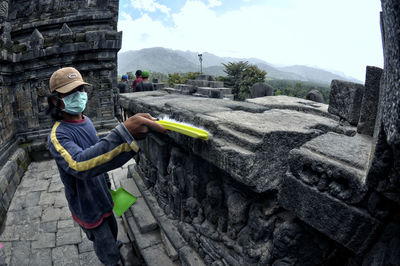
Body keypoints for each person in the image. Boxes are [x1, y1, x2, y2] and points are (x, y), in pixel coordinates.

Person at [46, 67, 166, 266]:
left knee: (111, 226)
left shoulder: (86, 121)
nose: (79, 96)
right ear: (55, 100)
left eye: (81, 90)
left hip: (103, 192)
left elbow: (97, 149)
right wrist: (123, 133)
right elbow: (79, 163)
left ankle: (114, 244)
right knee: (103, 241)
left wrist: (126, 138)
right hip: (87, 204)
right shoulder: (58, 136)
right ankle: (111, 260)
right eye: (70, 93)